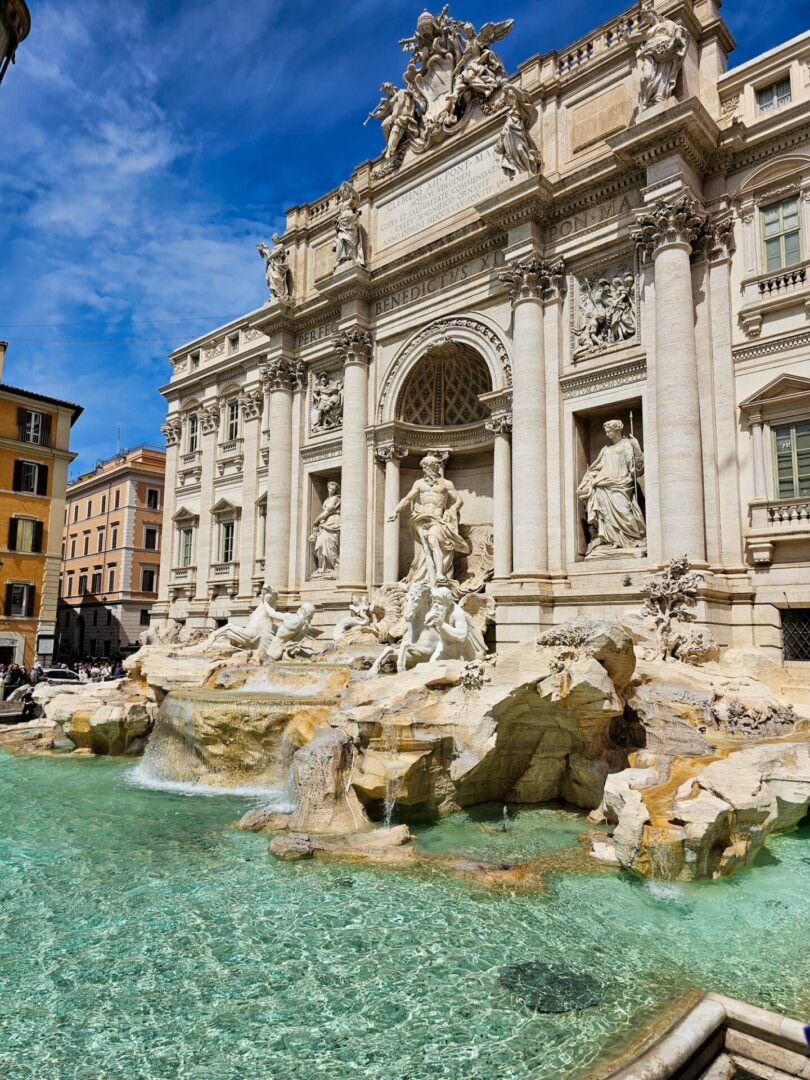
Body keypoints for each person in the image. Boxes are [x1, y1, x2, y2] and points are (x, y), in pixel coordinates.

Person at [388, 453, 471, 587]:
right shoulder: (419, 484)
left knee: (433, 540)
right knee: (426, 549)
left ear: (436, 467)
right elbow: (408, 499)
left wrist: (451, 510)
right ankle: (431, 580)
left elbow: (459, 500)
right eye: (425, 468)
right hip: (422, 519)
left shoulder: (446, 484)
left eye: (430, 467)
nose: (427, 470)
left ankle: (439, 573)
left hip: (437, 519)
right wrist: (395, 511)